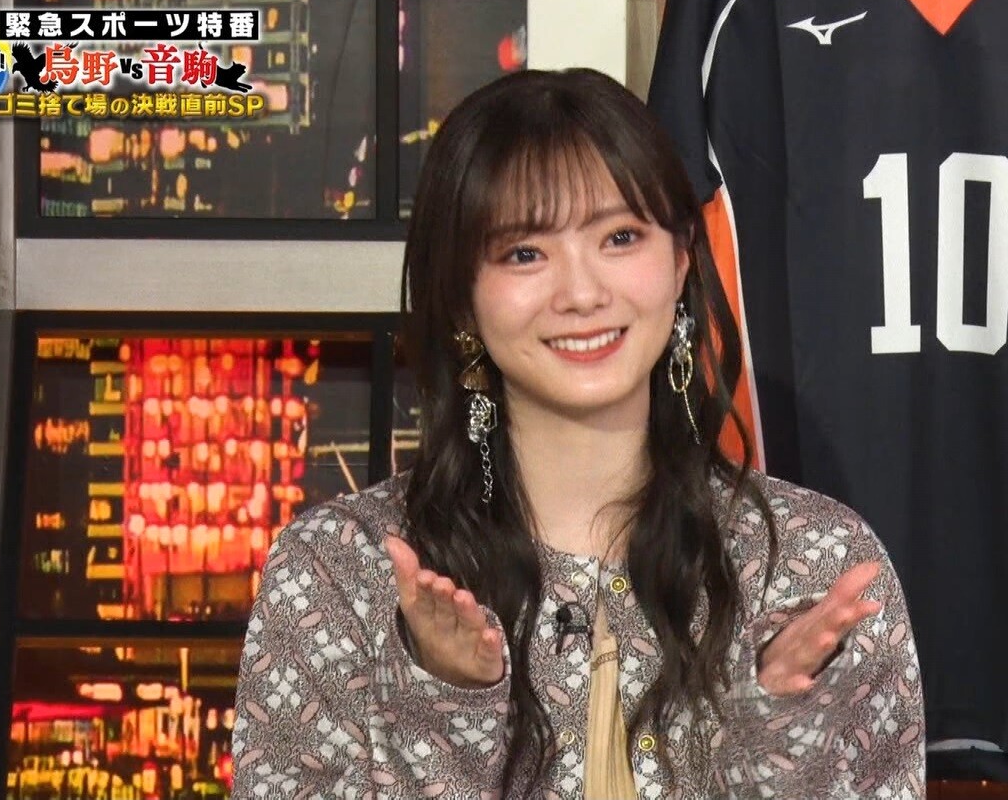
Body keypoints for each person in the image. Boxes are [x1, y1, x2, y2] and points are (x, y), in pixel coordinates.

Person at [229, 68, 925, 799]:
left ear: (680, 260)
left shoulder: (811, 564)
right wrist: (446, 709)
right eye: (524, 253)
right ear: (461, 296)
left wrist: (780, 744)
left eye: (620, 237)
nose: (583, 294)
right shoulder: (339, 574)